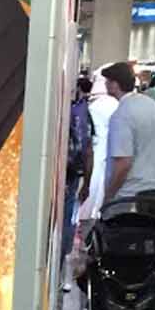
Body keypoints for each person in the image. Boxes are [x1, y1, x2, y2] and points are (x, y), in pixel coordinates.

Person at [96, 59, 155, 310]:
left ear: (114, 84)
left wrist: (108, 197)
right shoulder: (151, 106)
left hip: (129, 196)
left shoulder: (122, 116)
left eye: (107, 82)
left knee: (123, 250)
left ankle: (125, 301)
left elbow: (123, 163)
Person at [61, 77, 94, 287]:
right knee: (66, 222)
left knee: (63, 222)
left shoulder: (65, 111)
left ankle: (59, 270)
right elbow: (88, 150)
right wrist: (87, 183)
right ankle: (62, 272)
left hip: (64, 175)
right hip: (72, 174)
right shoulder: (82, 112)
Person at [78, 73, 119, 234]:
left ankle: (84, 213)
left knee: (93, 179)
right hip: (108, 149)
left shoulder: (94, 106)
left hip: (95, 147)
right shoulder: (115, 104)